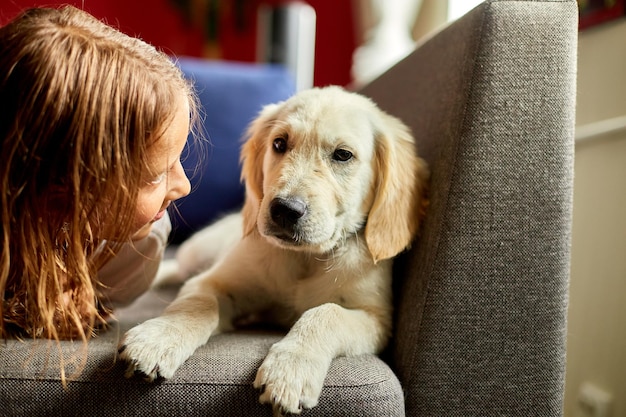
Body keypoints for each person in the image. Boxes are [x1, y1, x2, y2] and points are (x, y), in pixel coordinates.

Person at [0, 6, 200, 344]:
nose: (184, 186)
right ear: (61, 190)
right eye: (155, 175)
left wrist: (89, 305)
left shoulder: (134, 254)